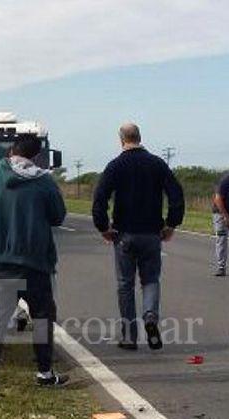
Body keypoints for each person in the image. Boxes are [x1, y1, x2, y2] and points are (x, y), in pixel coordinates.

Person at [0, 135, 68, 388]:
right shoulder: (44, 182)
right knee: (41, 315)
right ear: (37, 156)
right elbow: (58, 217)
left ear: (11, 150)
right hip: (34, 260)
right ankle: (44, 373)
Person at [92, 123, 184, 351]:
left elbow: (100, 198)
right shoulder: (157, 164)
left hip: (124, 233)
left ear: (121, 140)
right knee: (150, 280)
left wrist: (103, 226)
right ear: (140, 137)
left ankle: (129, 336)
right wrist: (171, 223)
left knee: (125, 284)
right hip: (152, 233)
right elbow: (176, 194)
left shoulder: (115, 166)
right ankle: (150, 316)